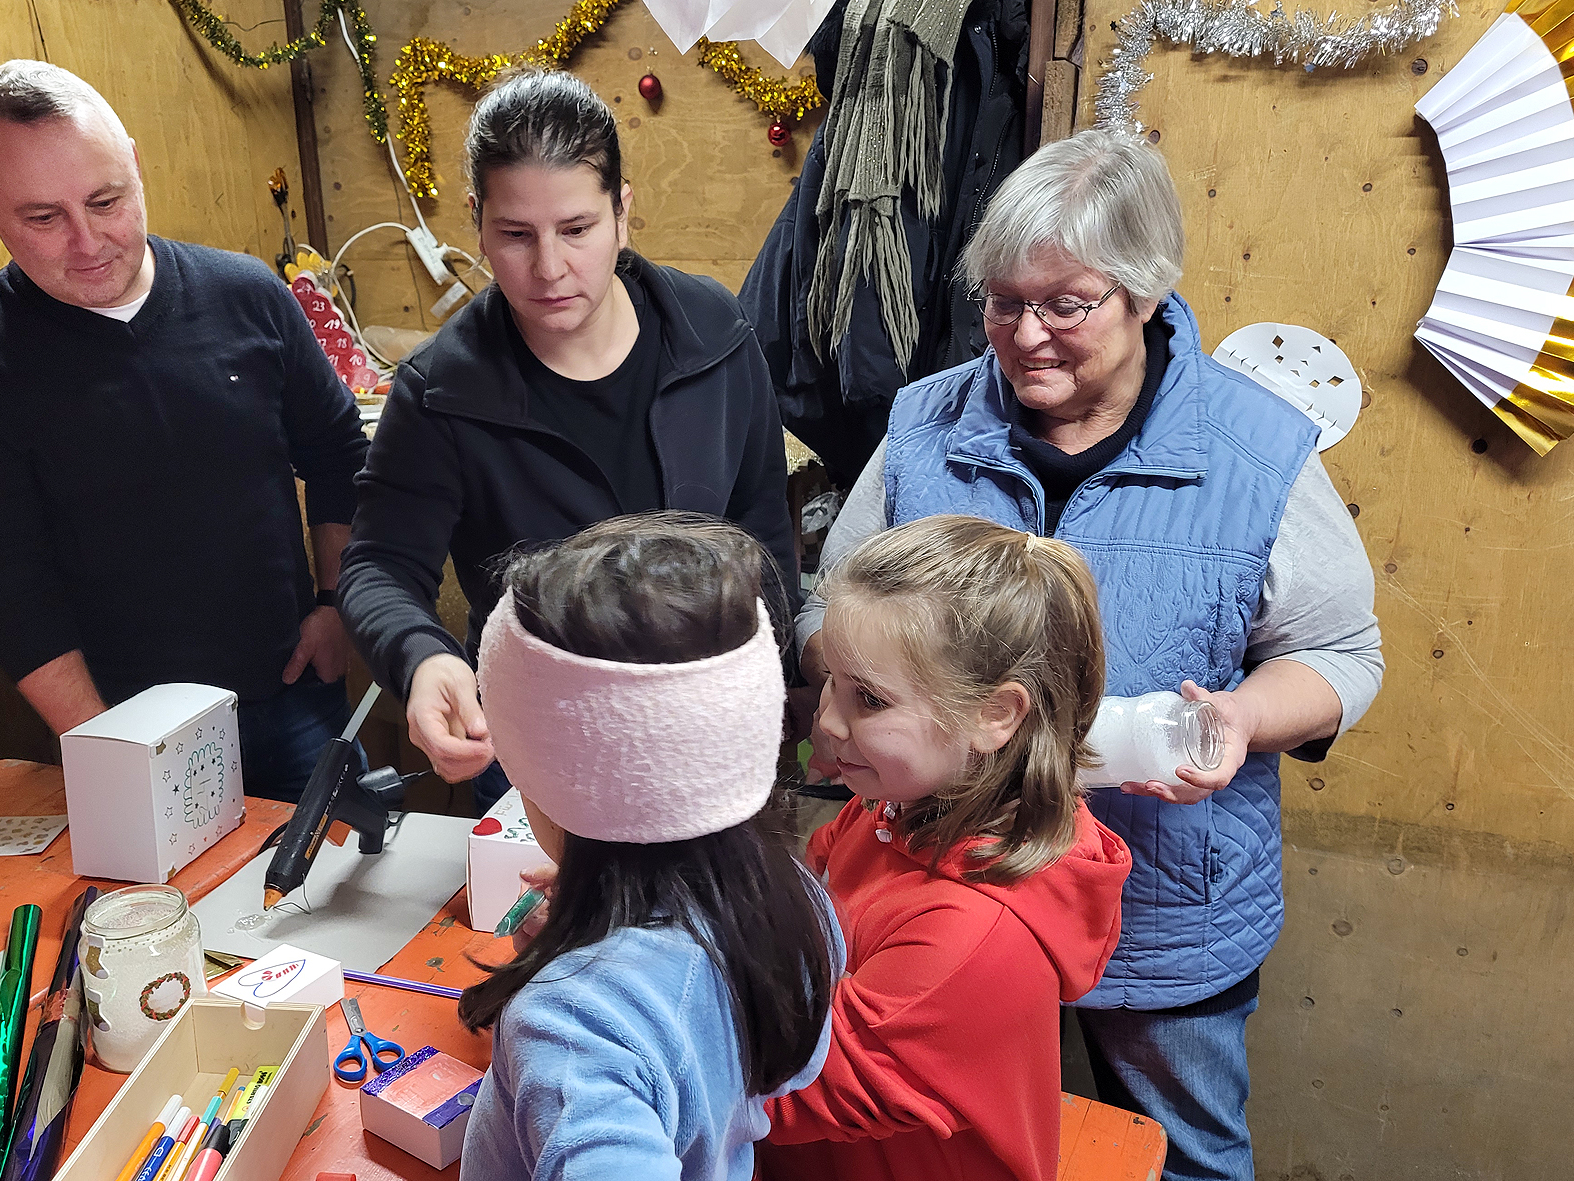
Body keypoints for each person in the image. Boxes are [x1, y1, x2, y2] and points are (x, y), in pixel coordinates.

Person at [796, 130, 1385, 1181]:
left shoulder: (1254, 451)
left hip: (1164, 904)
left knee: (1178, 1154)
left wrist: (1242, 718)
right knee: (945, 1136)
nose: (1023, 335)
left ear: (1146, 291)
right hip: (947, 883)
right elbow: (830, 612)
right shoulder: (925, 427)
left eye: (1064, 304)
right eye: (1000, 300)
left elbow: (1338, 651)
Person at [338, 68, 797, 814]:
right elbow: (379, 565)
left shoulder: (715, 334)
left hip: (705, 729)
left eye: (577, 230)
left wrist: (763, 689)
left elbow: (764, 530)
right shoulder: (443, 388)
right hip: (538, 747)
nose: (549, 268)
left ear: (622, 213)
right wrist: (422, 659)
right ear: (478, 221)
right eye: (516, 235)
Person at [0, 60, 368, 800]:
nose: (88, 241)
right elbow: (1, 575)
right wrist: (103, 745)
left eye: (106, 200)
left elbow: (338, 449)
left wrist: (333, 602)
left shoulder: (248, 293)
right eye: (42, 218)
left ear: (135, 164)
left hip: (289, 692)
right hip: (118, 718)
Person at [457, 512, 839, 1180]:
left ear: (550, 779)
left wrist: (588, 985)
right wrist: (599, 937)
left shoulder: (572, 1022)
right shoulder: (789, 898)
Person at [762, 514, 1132, 1180]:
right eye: (831, 683)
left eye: (869, 699)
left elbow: (786, 1089)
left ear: (994, 714)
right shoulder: (890, 810)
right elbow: (796, 903)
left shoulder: (971, 938)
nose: (825, 720)